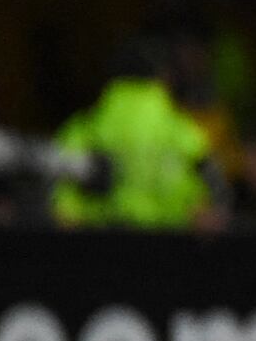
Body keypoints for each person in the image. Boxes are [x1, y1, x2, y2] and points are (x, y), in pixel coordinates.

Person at [51, 37, 223, 229]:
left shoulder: (83, 130)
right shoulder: (184, 132)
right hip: (170, 247)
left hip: (98, 247)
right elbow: (214, 197)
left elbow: (61, 207)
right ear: (163, 76)